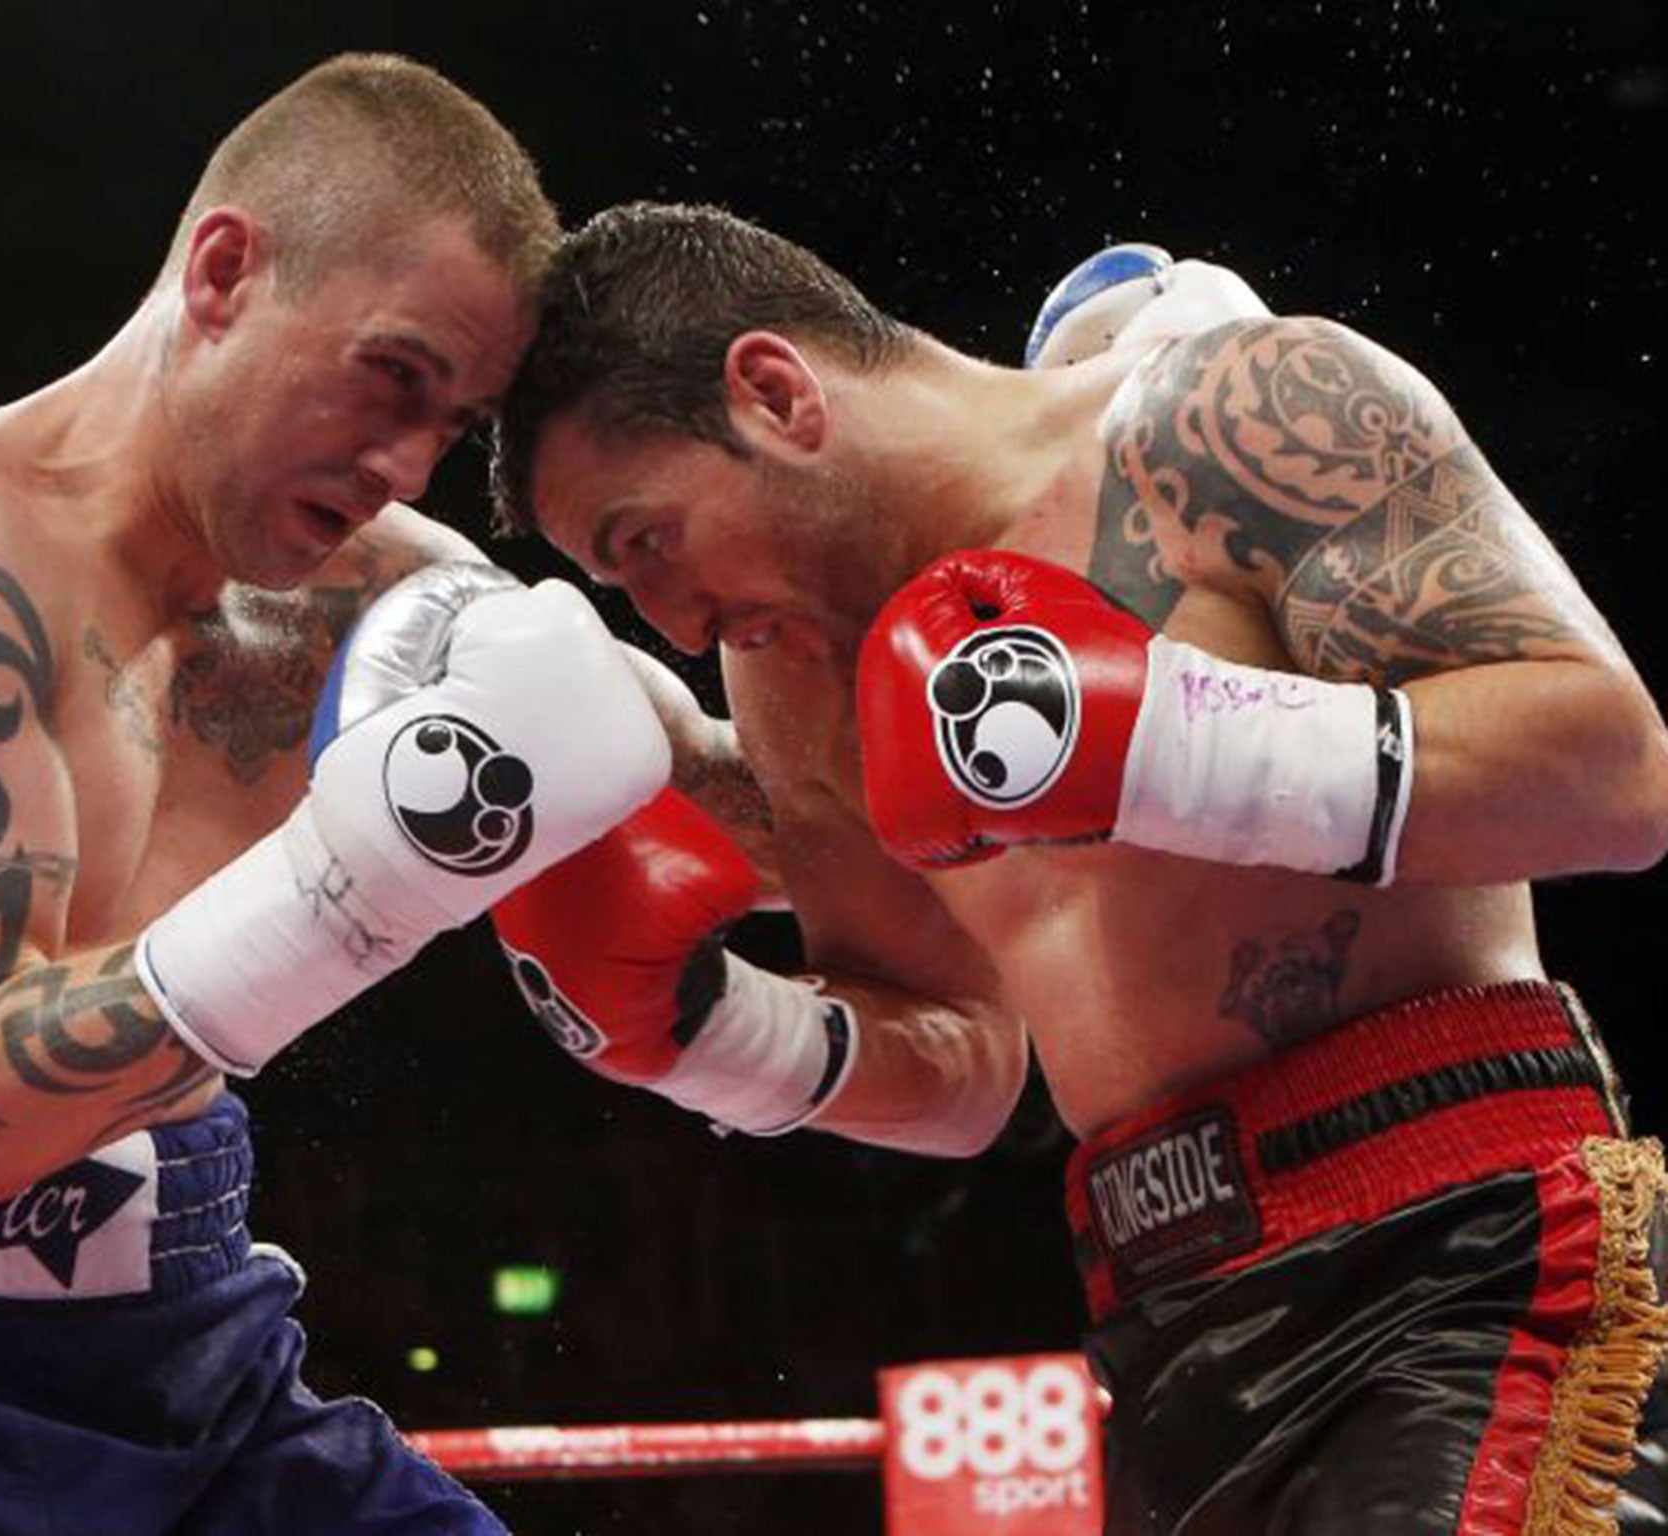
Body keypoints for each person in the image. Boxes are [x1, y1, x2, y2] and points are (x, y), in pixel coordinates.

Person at [0, 55, 713, 1535]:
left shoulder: (396, 601)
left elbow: (723, 794)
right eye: (390, 376)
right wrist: (363, 880)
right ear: (223, 272)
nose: (403, 462)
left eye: (450, 426)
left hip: (186, 1371)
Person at [483, 202, 1668, 1532]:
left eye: (648, 540)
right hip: (1163, 1320)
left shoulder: (1224, 420)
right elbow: (967, 1070)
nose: (674, 618)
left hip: (1459, 1256)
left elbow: (1613, 774)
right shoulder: (788, 677)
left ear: (773, 391)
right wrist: (711, 1037)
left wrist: (1161, 741)